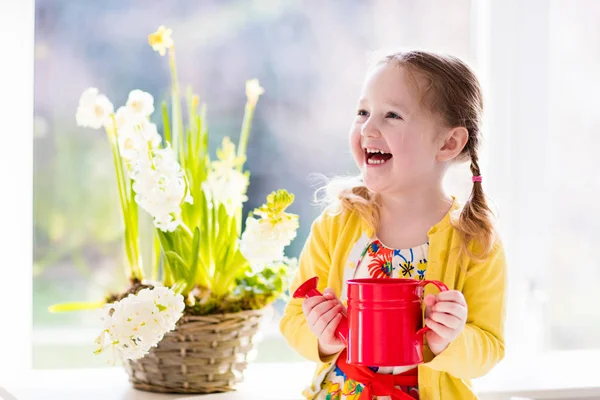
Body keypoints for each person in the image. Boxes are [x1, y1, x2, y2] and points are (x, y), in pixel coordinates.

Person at [279, 50, 507, 399]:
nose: (368, 128)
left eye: (392, 115)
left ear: (448, 143)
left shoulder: (475, 242)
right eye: (363, 112)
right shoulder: (336, 225)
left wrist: (450, 339)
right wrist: (321, 337)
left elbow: (489, 348)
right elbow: (294, 317)